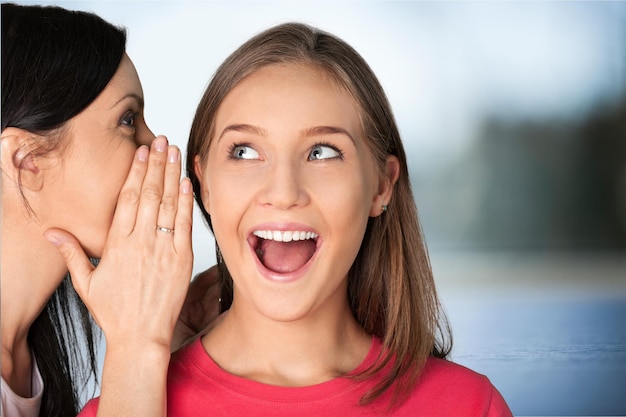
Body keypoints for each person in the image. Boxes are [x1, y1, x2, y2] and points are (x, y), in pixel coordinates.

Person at [81, 22, 513, 416]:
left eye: (322, 152)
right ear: (204, 185)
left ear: (382, 186)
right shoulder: (121, 406)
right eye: (245, 151)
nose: (284, 193)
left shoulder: (470, 406)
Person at [1, 4, 217, 417]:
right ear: (26, 160)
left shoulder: (29, 358)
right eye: (127, 119)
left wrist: (173, 341)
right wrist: (139, 343)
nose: (158, 146)